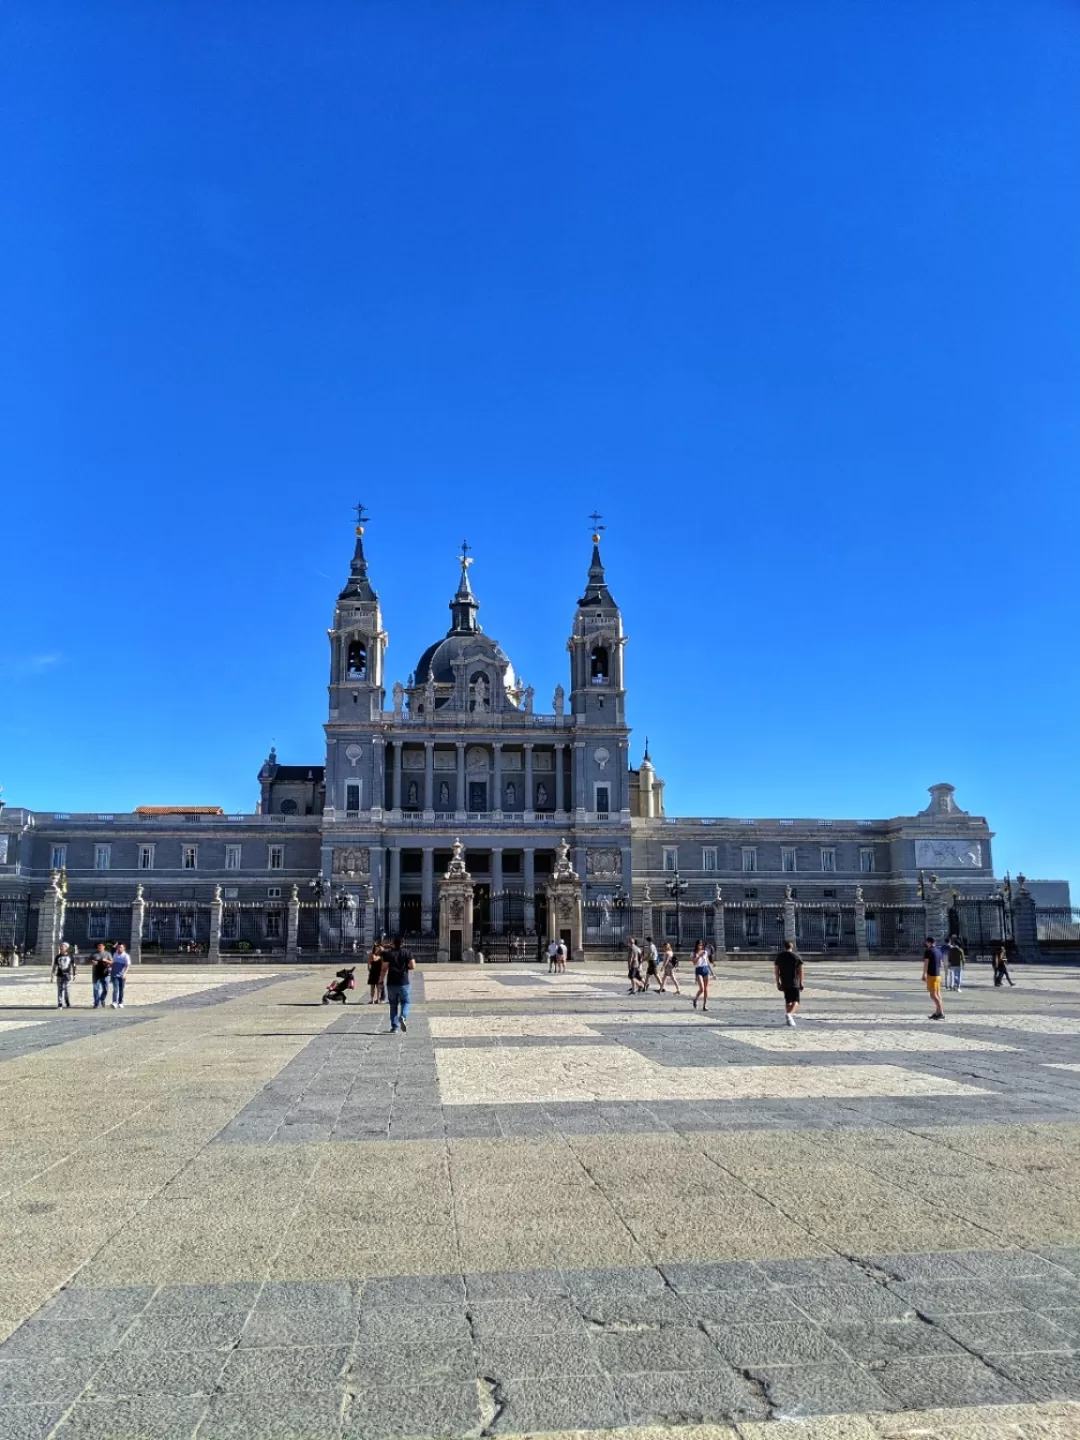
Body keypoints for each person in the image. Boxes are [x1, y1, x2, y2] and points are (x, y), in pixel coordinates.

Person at [380, 935, 415, 1034]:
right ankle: (403, 1016)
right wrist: (406, 967)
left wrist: (380, 980)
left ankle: (394, 1027)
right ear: (403, 943)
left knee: (393, 1005)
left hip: (391, 983)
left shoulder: (388, 954)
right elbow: (413, 966)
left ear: (393, 943)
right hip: (403, 982)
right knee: (406, 1002)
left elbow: (384, 968)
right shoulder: (407, 952)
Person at [774, 940, 804, 1028]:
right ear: (792, 947)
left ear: (784, 947)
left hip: (784, 981)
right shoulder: (796, 957)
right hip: (794, 981)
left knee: (788, 1001)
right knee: (796, 1001)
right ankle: (790, 1014)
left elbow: (776, 970)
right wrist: (801, 982)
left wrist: (778, 982)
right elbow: (801, 971)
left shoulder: (780, 957)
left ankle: (789, 1019)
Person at [922, 936, 945, 1020]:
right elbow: (941, 964)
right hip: (938, 975)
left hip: (931, 975)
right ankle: (937, 1012)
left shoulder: (928, 951)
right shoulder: (938, 951)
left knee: (933, 995)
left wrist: (924, 974)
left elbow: (926, 963)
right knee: (938, 994)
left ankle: (941, 1012)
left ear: (928, 942)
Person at [692, 939, 714, 1011]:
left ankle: (705, 1005)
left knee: (706, 989)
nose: (700, 946)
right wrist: (699, 956)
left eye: (701, 945)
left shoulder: (705, 952)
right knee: (701, 988)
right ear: (697, 945)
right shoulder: (694, 953)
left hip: (705, 969)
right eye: (699, 945)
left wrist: (713, 973)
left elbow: (707, 963)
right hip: (698, 970)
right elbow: (694, 963)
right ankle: (695, 999)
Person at [51, 942, 75, 1008]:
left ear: (66, 948)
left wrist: (74, 974)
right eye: (61, 946)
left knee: (67, 991)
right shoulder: (57, 956)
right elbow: (54, 966)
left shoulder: (70, 956)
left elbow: (73, 965)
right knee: (59, 990)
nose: (61, 947)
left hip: (67, 975)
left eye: (63, 946)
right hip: (59, 975)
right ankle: (60, 1004)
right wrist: (52, 975)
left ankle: (67, 1002)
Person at [91, 943, 113, 1009]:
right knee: (96, 989)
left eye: (101, 946)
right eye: (98, 946)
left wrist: (105, 960)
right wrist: (92, 962)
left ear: (104, 947)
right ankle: (96, 1003)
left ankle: (102, 999)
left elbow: (112, 962)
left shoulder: (108, 954)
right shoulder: (94, 954)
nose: (99, 947)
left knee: (105, 989)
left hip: (105, 974)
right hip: (96, 974)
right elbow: (88, 961)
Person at [110, 943, 131, 1008]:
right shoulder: (114, 954)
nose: (119, 948)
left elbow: (128, 965)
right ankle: (114, 1002)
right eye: (118, 947)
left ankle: (120, 1002)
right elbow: (112, 962)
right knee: (115, 989)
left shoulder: (126, 956)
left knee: (121, 989)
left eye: (121, 947)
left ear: (124, 948)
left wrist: (125, 973)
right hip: (115, 974)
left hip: (122, 975)